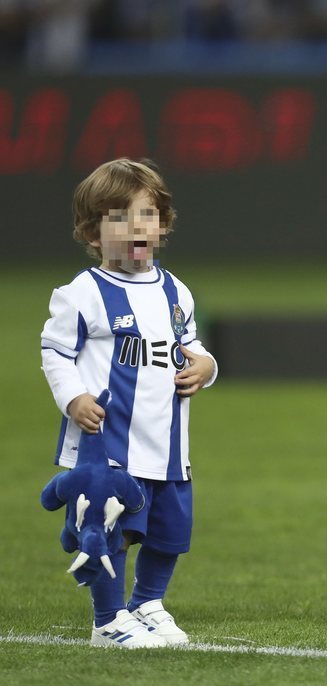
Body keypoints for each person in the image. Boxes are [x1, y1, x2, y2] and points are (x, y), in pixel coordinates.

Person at [40, 157, 217, 648]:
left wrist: (207, 365)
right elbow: (55, 351)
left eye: (146, 214)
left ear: (161, 225)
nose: (136, 226)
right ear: (93, 233)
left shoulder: (174, 290)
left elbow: (190, 343)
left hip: (166, 444)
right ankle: (109, 619)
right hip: (107, 445)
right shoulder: (82, 293)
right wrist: (73, 397)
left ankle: (148, 603)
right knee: (109, 530)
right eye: (118, 217)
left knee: (169, 532)